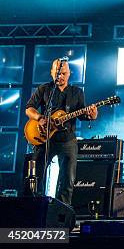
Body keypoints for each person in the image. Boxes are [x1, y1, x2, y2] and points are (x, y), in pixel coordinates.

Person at [25, 58, 98, 205]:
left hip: (68, 141)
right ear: (52, 72)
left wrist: (92, 115)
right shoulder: (44, 89)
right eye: (57, 73)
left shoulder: (77, 92)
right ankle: (32, 208)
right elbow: (29, 108)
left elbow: (83, 115)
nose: (60, 76)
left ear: (69, 74)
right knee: (36, 175)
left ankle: (61, 214)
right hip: (45, 139)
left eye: (64, 73)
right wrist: (39, 118)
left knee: (68, 180)